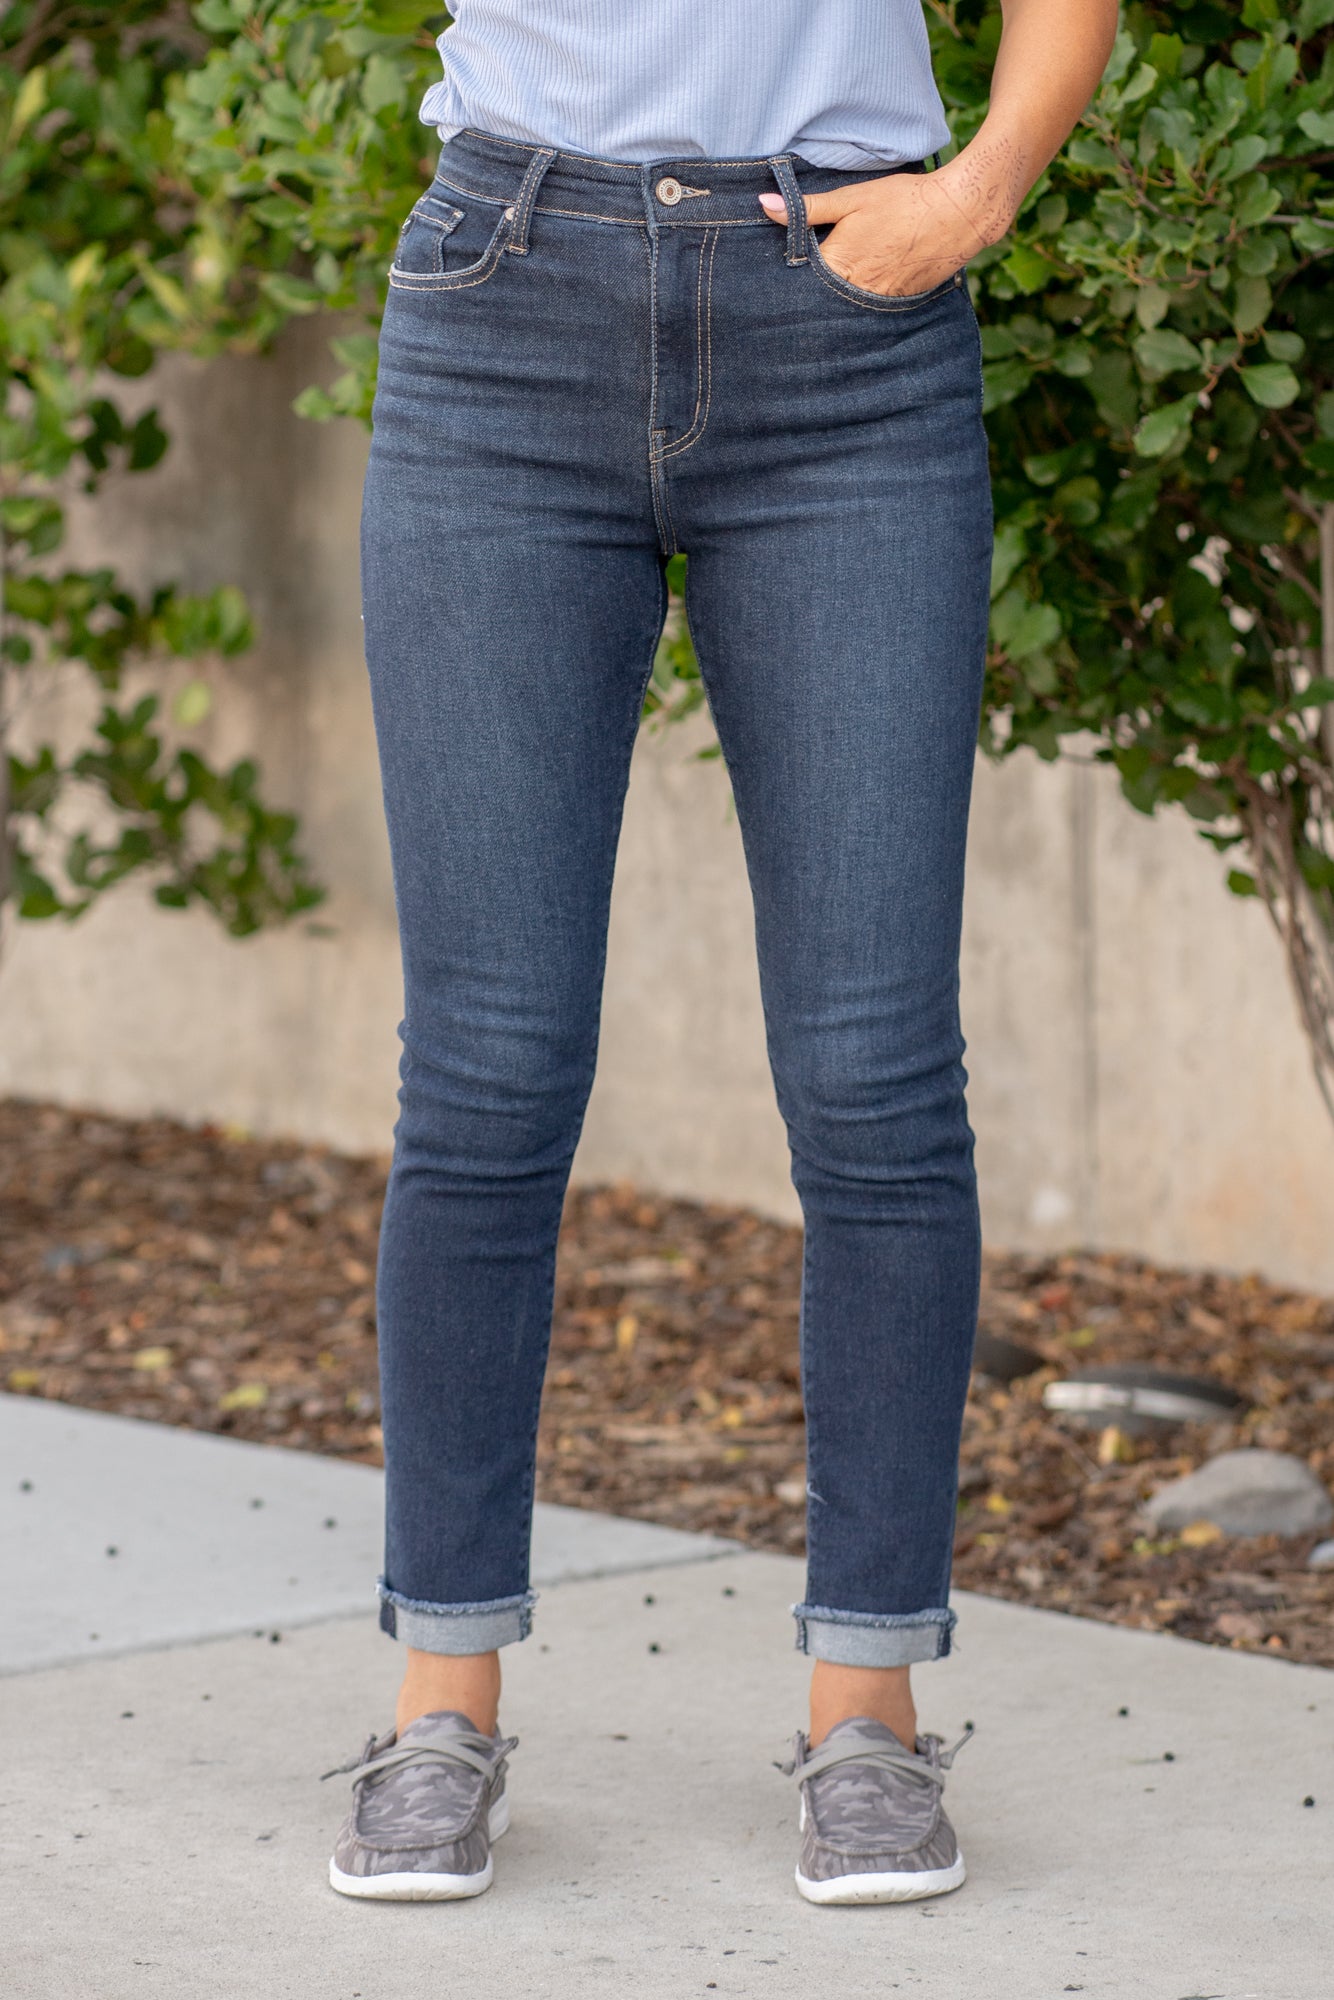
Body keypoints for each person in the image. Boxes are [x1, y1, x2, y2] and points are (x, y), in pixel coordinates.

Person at [323, 0, 1117, 1906]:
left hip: (843, 327)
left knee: (872, 1074)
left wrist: (978, 193)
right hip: (506, 296)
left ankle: (869, 1720)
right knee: (487, 1068)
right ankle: (439, 1708)